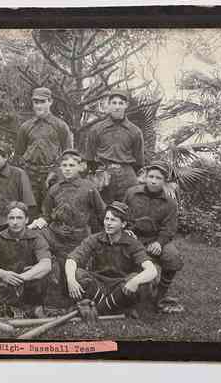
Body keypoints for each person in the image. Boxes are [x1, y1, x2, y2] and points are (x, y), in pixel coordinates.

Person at [65, 202, 157, 315]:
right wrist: (71, 280)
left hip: (120, 286)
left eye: (113, 220)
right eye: (106, 219)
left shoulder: (133, 243)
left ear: (123, 224)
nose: (108, 223)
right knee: (77, 273)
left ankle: (98, 309)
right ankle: (111, 307)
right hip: (98, 285)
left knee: (138, 279)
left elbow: (152, 270)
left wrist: (135, 281)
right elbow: (72, 259)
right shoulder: (95, 239)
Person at [123, 161, 184, 313]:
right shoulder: (131, 193)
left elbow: (169, 228)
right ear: (146, 177)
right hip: (132, 237)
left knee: (173, 257)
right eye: (151, 176)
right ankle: (123, 292)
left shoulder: (170, 203)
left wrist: (159, 243)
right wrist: (126, 230)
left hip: (154, 239)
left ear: (165, 181)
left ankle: (160, 296)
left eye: (158, 178)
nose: (153, 181)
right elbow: (121, 214)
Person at [30, 149, 105, 264]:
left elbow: (101, 212)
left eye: (71, 165)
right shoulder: (54, 189)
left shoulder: (88, 188)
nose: (67, 169)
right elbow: (46, 215)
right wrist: (37, 223)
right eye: (64, 165)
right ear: (60, 167)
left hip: (79, 238)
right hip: (56, 237)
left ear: (79, 167)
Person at [0, 201, 52, 312]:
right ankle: (12, 305)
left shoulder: (36, 238)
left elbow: (46, 264)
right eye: (11, 218)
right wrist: (3, 274)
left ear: (26, 220)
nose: (15, 222)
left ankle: (27, 305)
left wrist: (21, 278)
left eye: (19, 218)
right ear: (7, 220)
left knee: (49, 272)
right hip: (4, 282)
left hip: (27, 283)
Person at [14, 87, 73, 211]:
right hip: (30, 175)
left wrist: (56, 172)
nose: (39, 106)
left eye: (42, 102)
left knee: (50, 211)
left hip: (51, 176)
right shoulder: (26, 127)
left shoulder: (60, 126)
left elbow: (68, 154)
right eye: (36, 102)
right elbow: (19, 154)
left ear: (50, 102)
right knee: (29, 210)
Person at [84, 89, 144, 204]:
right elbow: (89, 158)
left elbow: (139, 162)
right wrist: (99, 172)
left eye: (121, 103)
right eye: (114, 103)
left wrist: (126, 172)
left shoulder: (135, 131)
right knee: (101, 208)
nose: (117, 107)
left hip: (127, 175)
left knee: (130, 206)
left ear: (126, 105)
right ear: (109, 105)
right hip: (104, 173)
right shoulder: (96, 129)